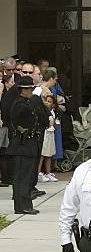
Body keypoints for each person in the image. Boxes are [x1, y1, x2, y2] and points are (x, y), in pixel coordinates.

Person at [7, 76, 40, 214]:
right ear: (23, 90)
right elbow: (23, 114)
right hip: (22, 145)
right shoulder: (20, 104)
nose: (31, 92)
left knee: (26, 177)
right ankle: (22, 206)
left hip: (27, 145)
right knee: (22, 177)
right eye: (30, 89)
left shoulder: (25, 102)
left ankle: (25, 204)